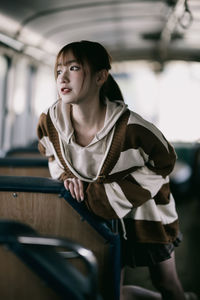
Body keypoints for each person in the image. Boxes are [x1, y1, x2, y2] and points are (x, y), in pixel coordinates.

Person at [37, 40, 186, 300]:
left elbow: (165, 162)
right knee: (111, 293)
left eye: (73, 68)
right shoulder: (50, 123)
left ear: (100, 76)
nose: (62, 76)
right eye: (59, 70)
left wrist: (112, 194)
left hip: (145, 214)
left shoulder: (133, 128)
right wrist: (66, 176)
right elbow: (51, 155)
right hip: (98, 217)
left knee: (167, 283)